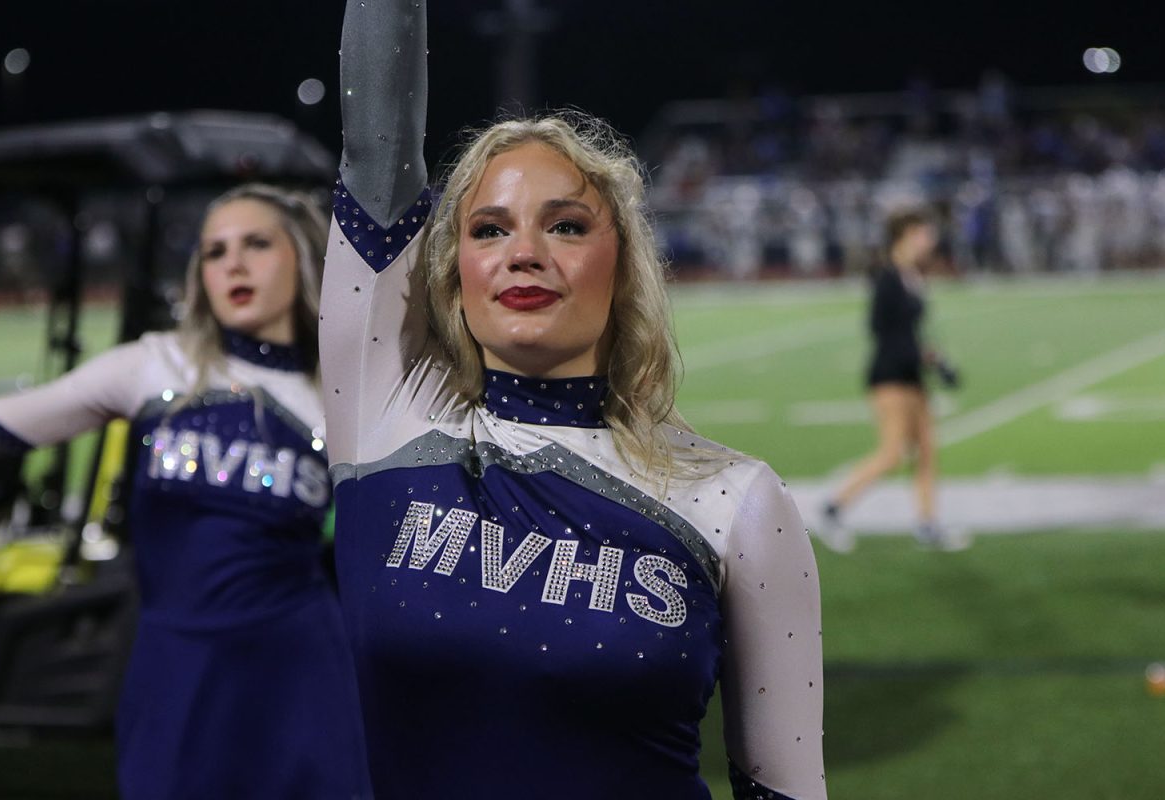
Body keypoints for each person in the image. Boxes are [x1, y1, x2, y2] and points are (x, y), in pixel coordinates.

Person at [320, 2, 825, 798]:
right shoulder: (383, 417)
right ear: (453, 276)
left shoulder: (734, 501)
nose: (524, 253)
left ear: (623, 263)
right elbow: (376, 145)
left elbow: (784, 789)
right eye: (488, 231)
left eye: (565, 226)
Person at [0, 184, 372, 800]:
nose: (232, 264)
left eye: (256, 244)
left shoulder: (340, 395)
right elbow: (0, 428)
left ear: (304, 258)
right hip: (174, 662)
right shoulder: (155, 365)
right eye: (213, 252)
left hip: (298, 665)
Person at [819, 208, 960, 552]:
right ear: (907, 234)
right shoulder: (887, 276)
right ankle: (833, 508)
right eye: (925, 233)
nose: (931, 240)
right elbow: (881, 330)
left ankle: (928, 524)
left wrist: (936, 360)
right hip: (890, 376)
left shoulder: (913, 275)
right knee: (893, 452)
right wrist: (915, 355)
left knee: (926, 452)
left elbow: (911, 333)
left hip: (913, 376)